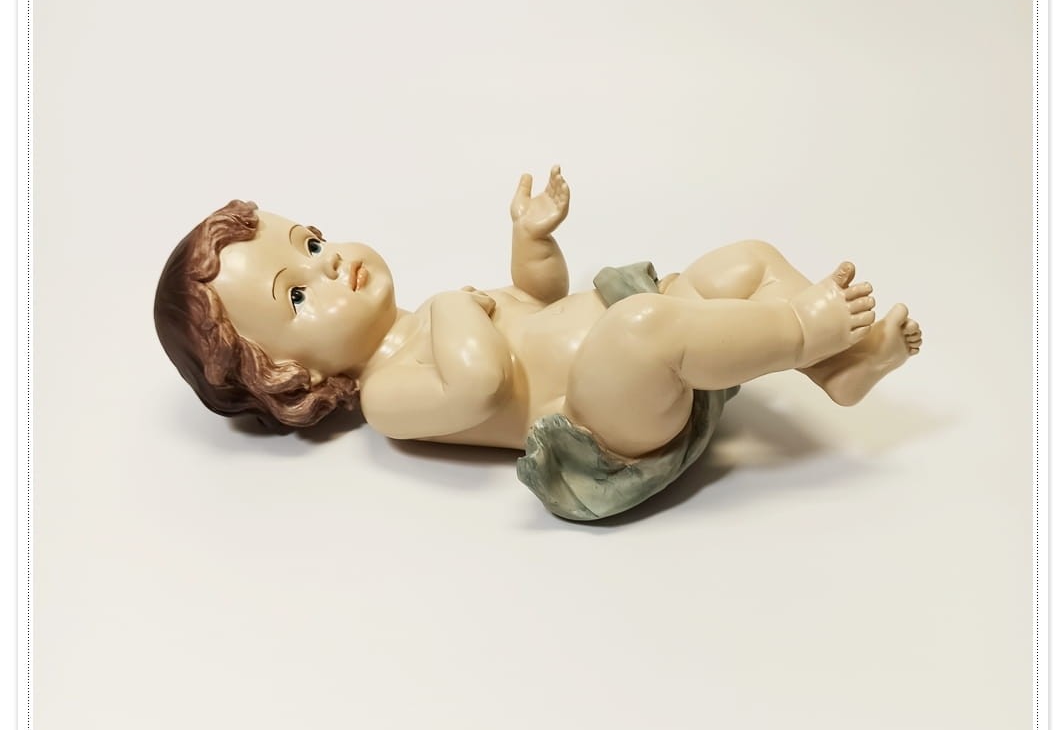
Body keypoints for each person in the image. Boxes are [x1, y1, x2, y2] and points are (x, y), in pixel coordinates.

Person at [154, 168, 922, 519]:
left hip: (658, 344)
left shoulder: (444, 311)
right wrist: (456, 306)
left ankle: (840, 366)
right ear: (290, 372)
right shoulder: (388, 396)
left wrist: (532, 244)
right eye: (297, 294)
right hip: (612, 423)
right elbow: (481, 383)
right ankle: (802, 332)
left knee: (741, 259)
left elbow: (540, 302)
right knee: (641, 328)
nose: (329, 265)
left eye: (313, 241)